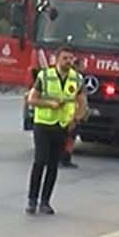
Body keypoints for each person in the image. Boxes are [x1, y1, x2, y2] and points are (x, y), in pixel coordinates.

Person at [26, 47, 82, 215]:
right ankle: (32, 199)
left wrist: (76, 119)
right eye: (65, 58)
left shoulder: (77, 79)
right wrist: (49, 104)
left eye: (71, 58)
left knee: (53, 165)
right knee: (40, 160)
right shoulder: (45, 76)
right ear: (56, 59)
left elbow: (82, 102)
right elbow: (32, 99)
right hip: (43, 124)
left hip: (62, 125)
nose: (68, 61)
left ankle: (45, 201)